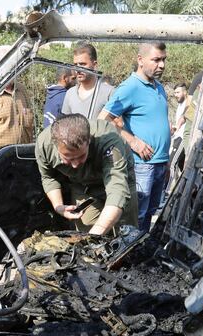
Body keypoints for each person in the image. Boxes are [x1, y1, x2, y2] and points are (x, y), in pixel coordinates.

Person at [99, 42, 171, 232]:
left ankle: (141, 254)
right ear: (140, 60)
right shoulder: (129, 87)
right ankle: (129, 257)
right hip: (141, 165)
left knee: (149, 213)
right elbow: (103, 120)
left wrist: (166, 159)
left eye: (163, 60)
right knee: (135, 216)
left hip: (159, 163)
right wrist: (133, 141)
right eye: (156, 60)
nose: (162, 65)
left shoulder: (159, 87)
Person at [35, 113, 138, 235]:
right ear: (56, 147)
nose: (75, 164)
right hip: (82, 186)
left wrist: (94, 236)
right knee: (85, 232)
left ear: (89, 140)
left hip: (118, 179)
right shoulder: (44, 145)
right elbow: (48, 177)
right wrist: (59, 207)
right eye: (68, 158)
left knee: (126, 234)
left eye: (81, 156)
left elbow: (118, 191)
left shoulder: (108, 140)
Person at [61, 42, 114, 121]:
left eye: (82, 64)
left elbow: (118, 124)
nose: (78, 69)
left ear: (94, 65)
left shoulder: (109, 93)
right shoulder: (70, 94)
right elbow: (65, 125)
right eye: (75, 64)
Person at [169, 82, 189, 172]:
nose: (175, 95)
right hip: (177, 137)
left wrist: (177, 127)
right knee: (181, 167)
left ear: (185, 92)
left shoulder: (187, 104)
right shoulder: (180, 105)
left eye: (178, 92)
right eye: (175, 93)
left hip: (182, 138)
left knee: (171, 164)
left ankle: (168, 186)